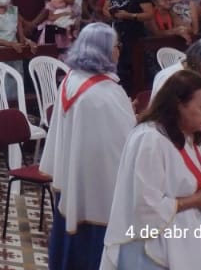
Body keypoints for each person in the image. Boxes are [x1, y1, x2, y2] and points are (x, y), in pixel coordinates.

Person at [101, 70, 201, 270]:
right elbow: (145, 205)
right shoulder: (150, 139)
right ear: (179, 105)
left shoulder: (187, 134)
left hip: (185, 238)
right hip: (152, 248)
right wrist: (196, 200)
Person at [39, 24, 134, 270]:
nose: (119, 51)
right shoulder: (107, 92)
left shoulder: (71, 78)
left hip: (73, 177)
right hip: (100, 188)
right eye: (116, 46)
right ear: (104, 50)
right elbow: (127, 144)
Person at [104, 0, 152, 92]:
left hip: (133, 34)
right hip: (116, 31)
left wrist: (130, 15)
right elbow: (105, 8)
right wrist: (111, 14)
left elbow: (149, 14)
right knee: (116, 66)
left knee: (132, 67)